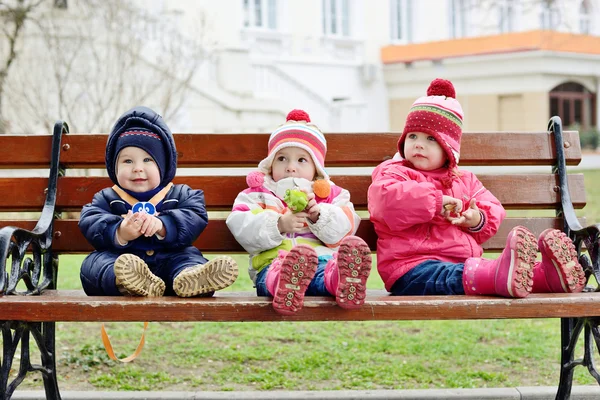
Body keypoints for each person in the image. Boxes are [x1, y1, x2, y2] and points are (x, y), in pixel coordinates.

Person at [368, 78, 586, 297]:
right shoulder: (394, 172)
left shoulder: (463, 179)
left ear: (449, 148)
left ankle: (547, 277)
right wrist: (435, 202)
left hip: (464, 264)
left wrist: (476, 219)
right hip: (410, 269)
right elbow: (385, 201)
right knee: (470, 273)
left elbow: (494, 209)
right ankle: (502, 274)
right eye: (412, 136)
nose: (418, 144)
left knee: (475, 270)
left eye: (431, 139)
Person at [79, 106, 238, 297]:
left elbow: (194, 216)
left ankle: (189, 278)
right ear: (114, 167)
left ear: (163, 165)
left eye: (147, 160)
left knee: (189, 259)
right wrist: (120, 231)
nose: (137, 168)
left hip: (172, 258)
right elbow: (90, 221)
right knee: (93, 265)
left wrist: (163, 225)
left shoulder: (181, 194)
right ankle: (124, 280)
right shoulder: (107, 198)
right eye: (127, 161)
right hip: (121, 259)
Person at [226, 109, 372, 315]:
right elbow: (240, 225)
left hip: (320, 261)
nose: (290, 167)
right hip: (271, 265)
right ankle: (284, 285)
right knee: (274, 275)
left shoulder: (329, 195)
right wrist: (278, 224)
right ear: (271, 163)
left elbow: (346, 228)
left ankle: (342, 281)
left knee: (322, 276)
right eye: (282, 158)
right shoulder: (257, 194)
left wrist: (319, 215)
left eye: (301, 160)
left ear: (316, 167)